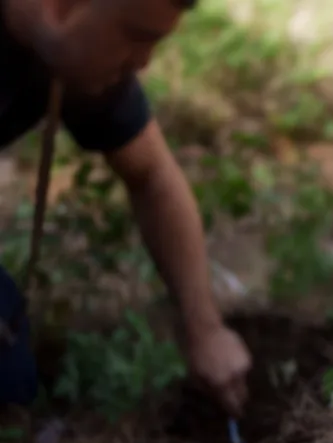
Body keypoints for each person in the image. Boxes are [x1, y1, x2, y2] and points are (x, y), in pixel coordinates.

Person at [0, 0, 252, 417]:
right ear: (57, 7)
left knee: (12, 379)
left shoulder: (68, 54)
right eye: (134, 36)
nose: (142, 62)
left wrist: (205, 330)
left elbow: (153, 176)